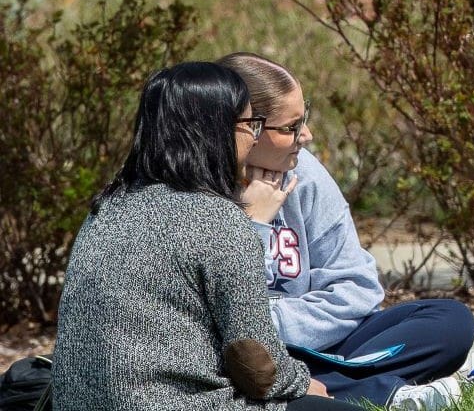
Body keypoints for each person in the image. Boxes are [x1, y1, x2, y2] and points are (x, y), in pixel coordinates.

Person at [51, 62, 359, 411]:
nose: (256, 136)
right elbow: (258, 367)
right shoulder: (221, 221)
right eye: (250, 125)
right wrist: (304, 384)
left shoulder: (105, 208)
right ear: (213, 132)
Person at [216, 53, 474, 409]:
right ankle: (381, 391)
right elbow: (222, 322)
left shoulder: (302, 172)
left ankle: (318, 386)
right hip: (241, 357)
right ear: (248, 129)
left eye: (304, 118)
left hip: (319, 346)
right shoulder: (197, 192)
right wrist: (252, 225)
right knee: (233, 363)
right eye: (290, 127)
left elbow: (358, 287)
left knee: (450, 322)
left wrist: (281, 325)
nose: (305, 136)